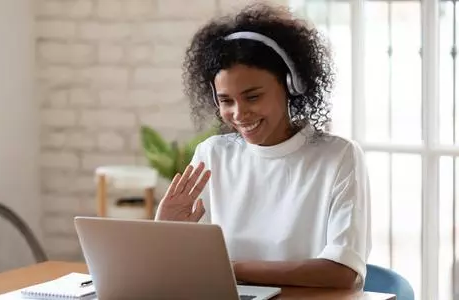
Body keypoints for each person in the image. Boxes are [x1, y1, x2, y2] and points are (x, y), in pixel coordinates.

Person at [154, 2, 371, 290]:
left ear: (291, 86)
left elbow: (342, 272)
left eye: (253, 97)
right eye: (226, 101)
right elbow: (182, 269)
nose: (239, 114)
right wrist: (164, 232)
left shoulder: (339, 157)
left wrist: (232, 269)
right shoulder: (212, 154)